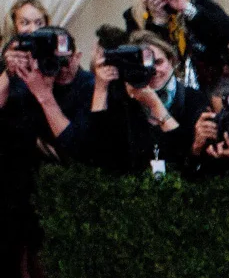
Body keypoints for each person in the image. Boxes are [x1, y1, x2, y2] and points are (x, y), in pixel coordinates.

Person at [1, 8, 92, 278]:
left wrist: (46, 89)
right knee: (10, 256)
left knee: (46, 257)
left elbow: (75, 141)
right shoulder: (14, 72)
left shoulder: (77, 83)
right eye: (27, 25)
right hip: (12, 178)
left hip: (59, 180)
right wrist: (9, 70)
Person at [67, 31, 206, 174]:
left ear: (171, 61)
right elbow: (96, 151)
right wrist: (101, 88)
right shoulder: (122, 100)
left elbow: (184, 152)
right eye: (145, 65)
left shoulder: (193, 99)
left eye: (158, 62)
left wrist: (155, 105)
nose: (153, 70)